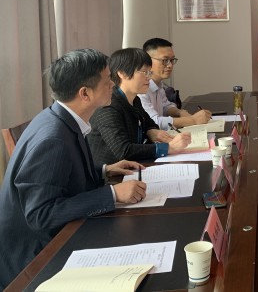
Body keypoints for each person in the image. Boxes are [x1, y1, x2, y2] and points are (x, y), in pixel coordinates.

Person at [0, 49, 147, 288]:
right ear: (84, 93)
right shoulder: (53, 138)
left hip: (58, 234)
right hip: (35, 258)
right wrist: (112, 194)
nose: (112, 84)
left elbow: (62, 174)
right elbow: (40, 215)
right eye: (106, 80)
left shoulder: (61, 117)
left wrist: (104, 170)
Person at [88, 48, 192, 167]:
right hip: (110, 173)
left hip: (133, 166)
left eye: (150, 72)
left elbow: (150, 124)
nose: (149, 78)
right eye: (144, 72)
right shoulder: (108, 106)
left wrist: (150, 130)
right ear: (122, 73)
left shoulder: (134, 99)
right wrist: (169, 148)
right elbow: (124, 150)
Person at [139, 38, 211, 130]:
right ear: (148, 61)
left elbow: (165, 106)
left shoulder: (158, 84)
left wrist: (179, 112)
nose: (170, 65)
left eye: (172, 60)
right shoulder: (141, 89)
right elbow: (154, 122)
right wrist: (193, 120)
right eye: (165, 60)